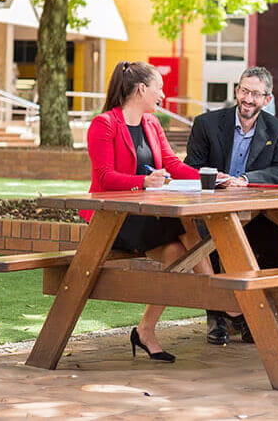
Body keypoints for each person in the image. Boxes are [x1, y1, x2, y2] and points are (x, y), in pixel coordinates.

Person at [84, 60, 211, 363]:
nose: (162, 95)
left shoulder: (152, 124)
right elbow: (103, 177)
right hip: (113, 220)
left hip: (145, 217)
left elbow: (173, 165)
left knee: (175, 253)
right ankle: (225, 298)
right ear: (141, 89)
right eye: (159, 88)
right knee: (188, 225)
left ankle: (146, 330)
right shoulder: (104, 124)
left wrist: (211, 176)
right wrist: (143, 181)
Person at [184, 66, 278, 344]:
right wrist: (214, 177)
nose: (248, 99)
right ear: (236, 91)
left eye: (256, 94)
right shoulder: (207, 124)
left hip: (252, 210)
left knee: (273, 239)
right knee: (212, 240)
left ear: (266, 99)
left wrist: (246, 179)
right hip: (210, 207)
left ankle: (251, 314)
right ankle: (217, 316)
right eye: (244, 91)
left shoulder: (275, 128)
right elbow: (190, 168)